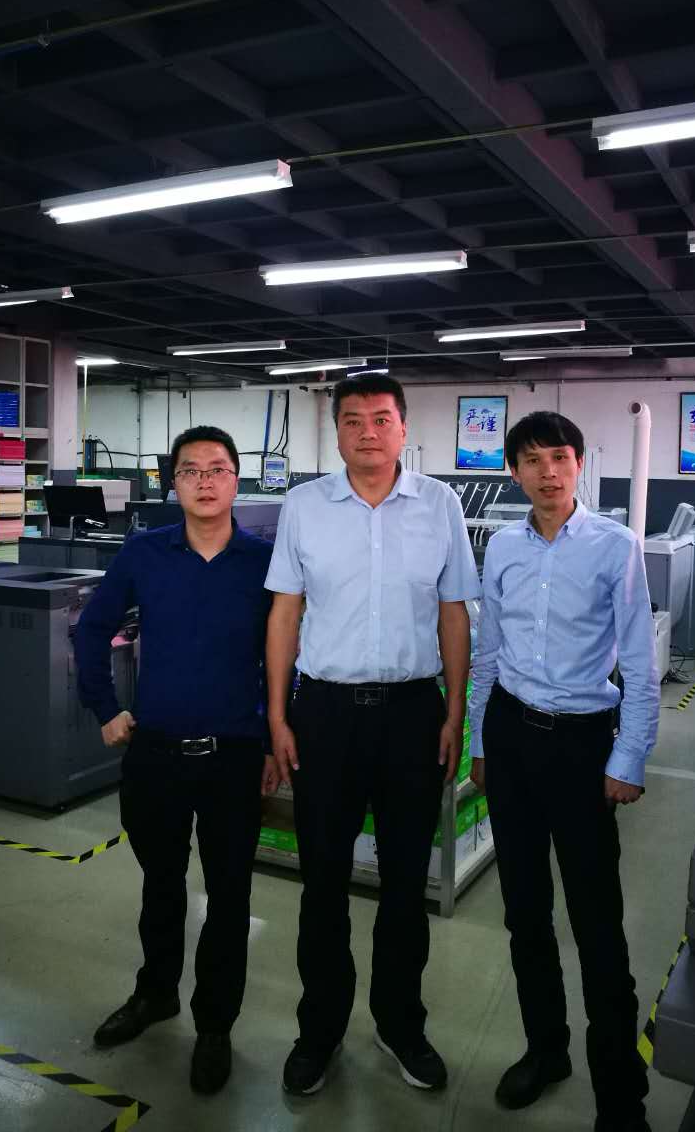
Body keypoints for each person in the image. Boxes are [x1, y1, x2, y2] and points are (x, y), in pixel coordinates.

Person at [264, 373, 480, 1097]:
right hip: (324, 715)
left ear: (404, 428)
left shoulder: (440, 504)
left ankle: (400, 1022)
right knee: (322, 882)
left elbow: (454, 612)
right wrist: (277, 716)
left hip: (413, 713)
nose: (367, 431)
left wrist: (455, 712)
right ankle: (319, 1031)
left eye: (381, 419)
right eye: (352, 419)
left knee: (404, 882)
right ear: (336, 432)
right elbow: (285, 613)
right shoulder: (304, 506)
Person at [468, 411, 660, 1132]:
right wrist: (482, 743)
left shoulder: (615, 545)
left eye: (559, 457)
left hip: (582, 748)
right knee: (524, 914)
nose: (547, 472)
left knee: (597, 924)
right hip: (511, 740)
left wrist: (628, 756)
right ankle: (546, 1050)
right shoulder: (502, 547)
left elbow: (639, 661)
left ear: (579, 463)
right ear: (514, 471)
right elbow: (488, 651)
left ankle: (620, 1096)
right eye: (532, 460)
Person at [76, 424, 278, 1096]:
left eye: (217, 469)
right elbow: (90, 627)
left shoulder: (264, 561)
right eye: (190, 470)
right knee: (160, 885)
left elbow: (288, 655)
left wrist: (275, 736)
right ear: (173, 483)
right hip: (156, 753)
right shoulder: (145, 551)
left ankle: (215, 1024)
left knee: (229, 895)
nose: (204, 481)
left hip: (234, 757)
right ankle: (156, 993)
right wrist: (105, 707)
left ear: (236, 480)